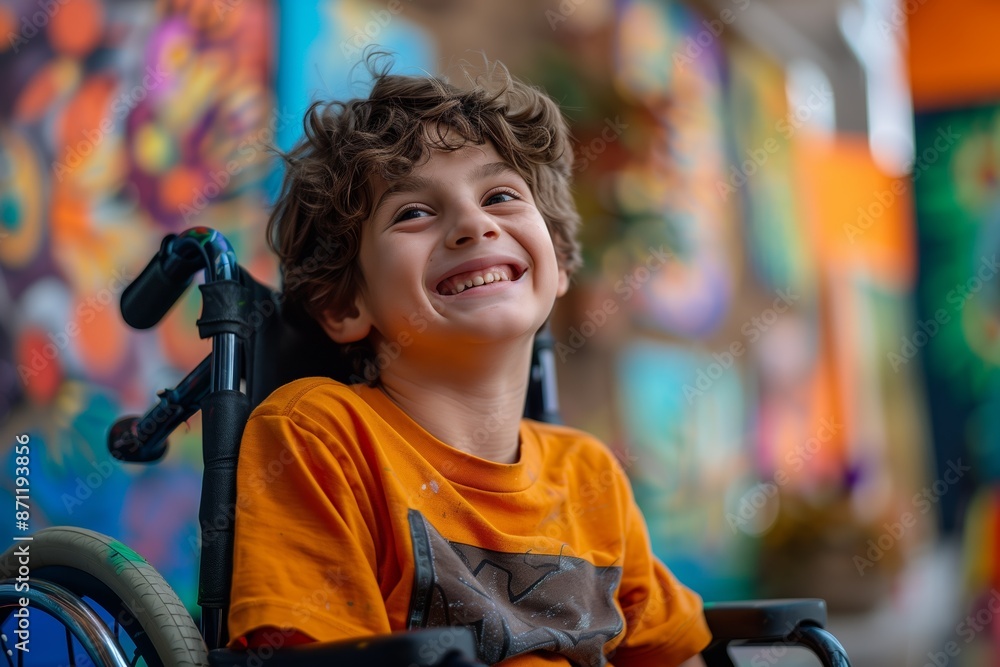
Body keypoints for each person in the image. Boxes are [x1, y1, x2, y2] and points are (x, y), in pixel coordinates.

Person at [227, 56, 712, 666]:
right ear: (345, 302)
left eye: (500, 195)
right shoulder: (320, 436)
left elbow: (674, 655)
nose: (473, 224)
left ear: (559, 261)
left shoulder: (590, 475)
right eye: (413, 212)